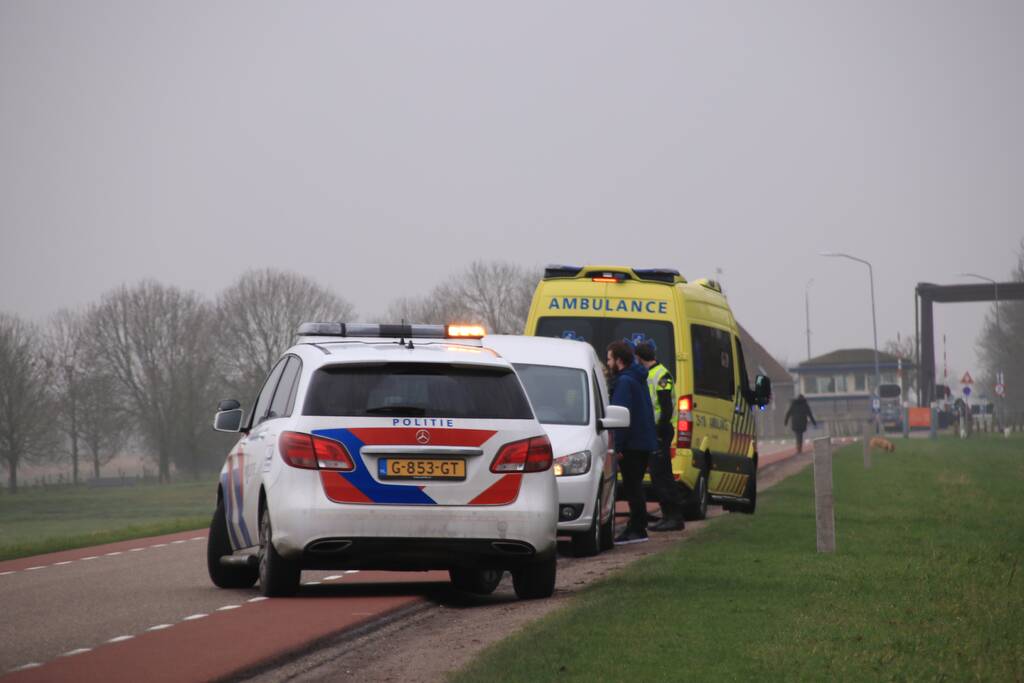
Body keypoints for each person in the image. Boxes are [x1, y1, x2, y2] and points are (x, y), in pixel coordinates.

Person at [606, 341, 659, 545]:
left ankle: (637, 528)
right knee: (634, 486)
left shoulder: (624, 382)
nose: (608, 362)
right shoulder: (635, 378)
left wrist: (617, 447)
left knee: (632, 487)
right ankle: (637, 526)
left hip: (632, 444)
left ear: (619, 360)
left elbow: (621, 416)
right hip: (642, 441)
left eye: (610, 358)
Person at [635, 342, 685, 532]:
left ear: (639, 357)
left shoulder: (661, 375)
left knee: (662, 474)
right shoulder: (651, 374)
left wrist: (659, 432)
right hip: (655, 430)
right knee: (658, 475)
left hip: (661, 431)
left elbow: (665, 408)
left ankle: (674, 517)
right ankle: (669, 515)